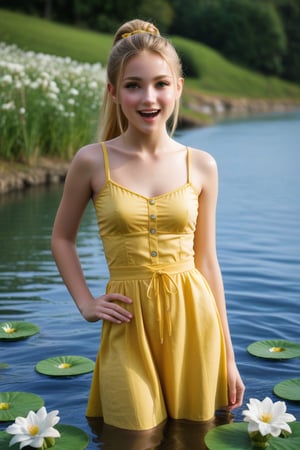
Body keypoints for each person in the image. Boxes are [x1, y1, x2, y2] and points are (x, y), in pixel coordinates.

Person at [51, 18, 245, 431]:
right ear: (113, 92)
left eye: (160, 83)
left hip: (195, 322)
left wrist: (229, 357)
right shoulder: (91, 160)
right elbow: (62, 239)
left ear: (178, 87)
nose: (148, 97)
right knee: (133, 434)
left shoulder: (202, 165)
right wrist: (85, 302)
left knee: (197, 434)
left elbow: (207, 261)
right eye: (133, 85)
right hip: (128, 323)